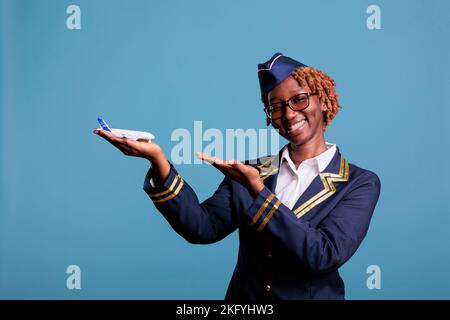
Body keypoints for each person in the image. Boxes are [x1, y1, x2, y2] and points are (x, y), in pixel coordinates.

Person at [93, 52, 381, 300]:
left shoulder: (359, 182)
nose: (289, 113)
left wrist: (259, 192)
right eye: (276, 106)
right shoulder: (250, 171)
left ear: (325, 101)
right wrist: (157, 160)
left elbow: (324, 253)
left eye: (300, 99)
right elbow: (202, 228)